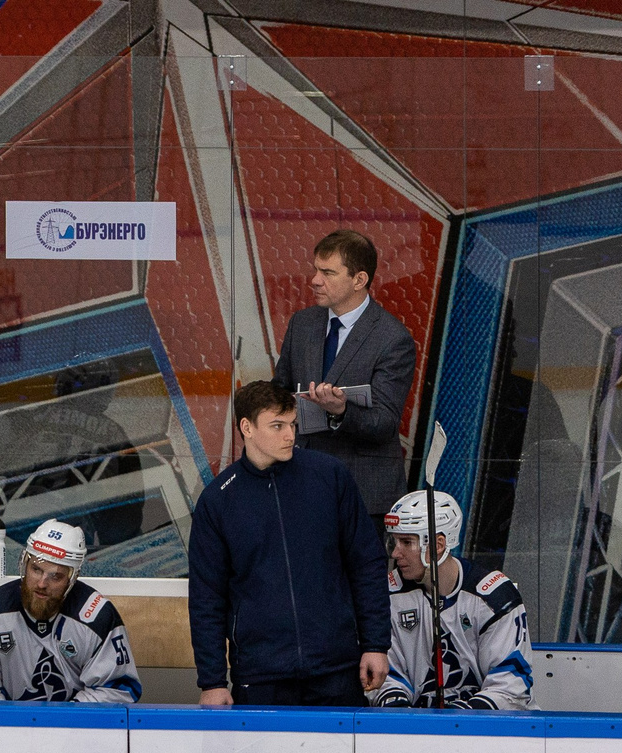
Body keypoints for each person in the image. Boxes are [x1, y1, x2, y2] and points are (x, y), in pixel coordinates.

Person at [187, 381, 390, 707]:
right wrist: (212, 680)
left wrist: (376, 644)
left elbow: (366, 563)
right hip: (261, 676)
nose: (290, 435)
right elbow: (206, 598)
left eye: (292, 424)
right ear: (246, 428)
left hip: (336, 669)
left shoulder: (329, 476)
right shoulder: (218, 501)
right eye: (277, 426)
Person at [270, 230, 417, 519]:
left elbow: (385, 423)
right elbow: (281, 387)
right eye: (315, 270)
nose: (314, 280)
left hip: (360, 493)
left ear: (359, 280)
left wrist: (341, 411)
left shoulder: (392, 339)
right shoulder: (302, 323)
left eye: (327, 272)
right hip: (301, 483)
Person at [372, 488, 533, 711]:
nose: (395, 553)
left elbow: (510, 685)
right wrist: (402, 716)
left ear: (438, 546)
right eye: (394, 542)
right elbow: (383, 673)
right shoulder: (388, 594)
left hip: (491, 734)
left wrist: (457, 722)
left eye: (407, 542)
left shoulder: (494, 596)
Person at [0, 519, 142, 704]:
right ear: (24, 564)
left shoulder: (97, 617)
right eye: (36, 569)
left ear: (72, 578)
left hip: (73, 734)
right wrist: (12, 723)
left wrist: (61, 723)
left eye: (55, 576)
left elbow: (116, 689)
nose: (42, 584)